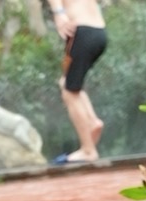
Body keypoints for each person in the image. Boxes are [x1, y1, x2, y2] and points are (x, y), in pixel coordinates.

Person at [47, 0, 108, 164]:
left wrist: (59, 14)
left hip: (82, 32)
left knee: (69, 91)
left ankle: (88, 150)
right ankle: (92, 122)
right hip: (98, 33)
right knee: (67, 83)